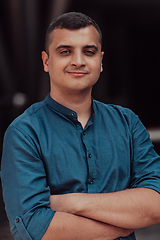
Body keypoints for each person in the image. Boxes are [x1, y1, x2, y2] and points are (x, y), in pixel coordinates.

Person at [1, 12, 160, 240]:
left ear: (101, 61)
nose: (78, 61)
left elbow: (156, 203)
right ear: (46, 61)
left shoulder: (127, 123)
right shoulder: (24, 133)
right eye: (65, 51)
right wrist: (122, 225)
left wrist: (71, 202)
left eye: (89, 51)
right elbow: (34, 226)